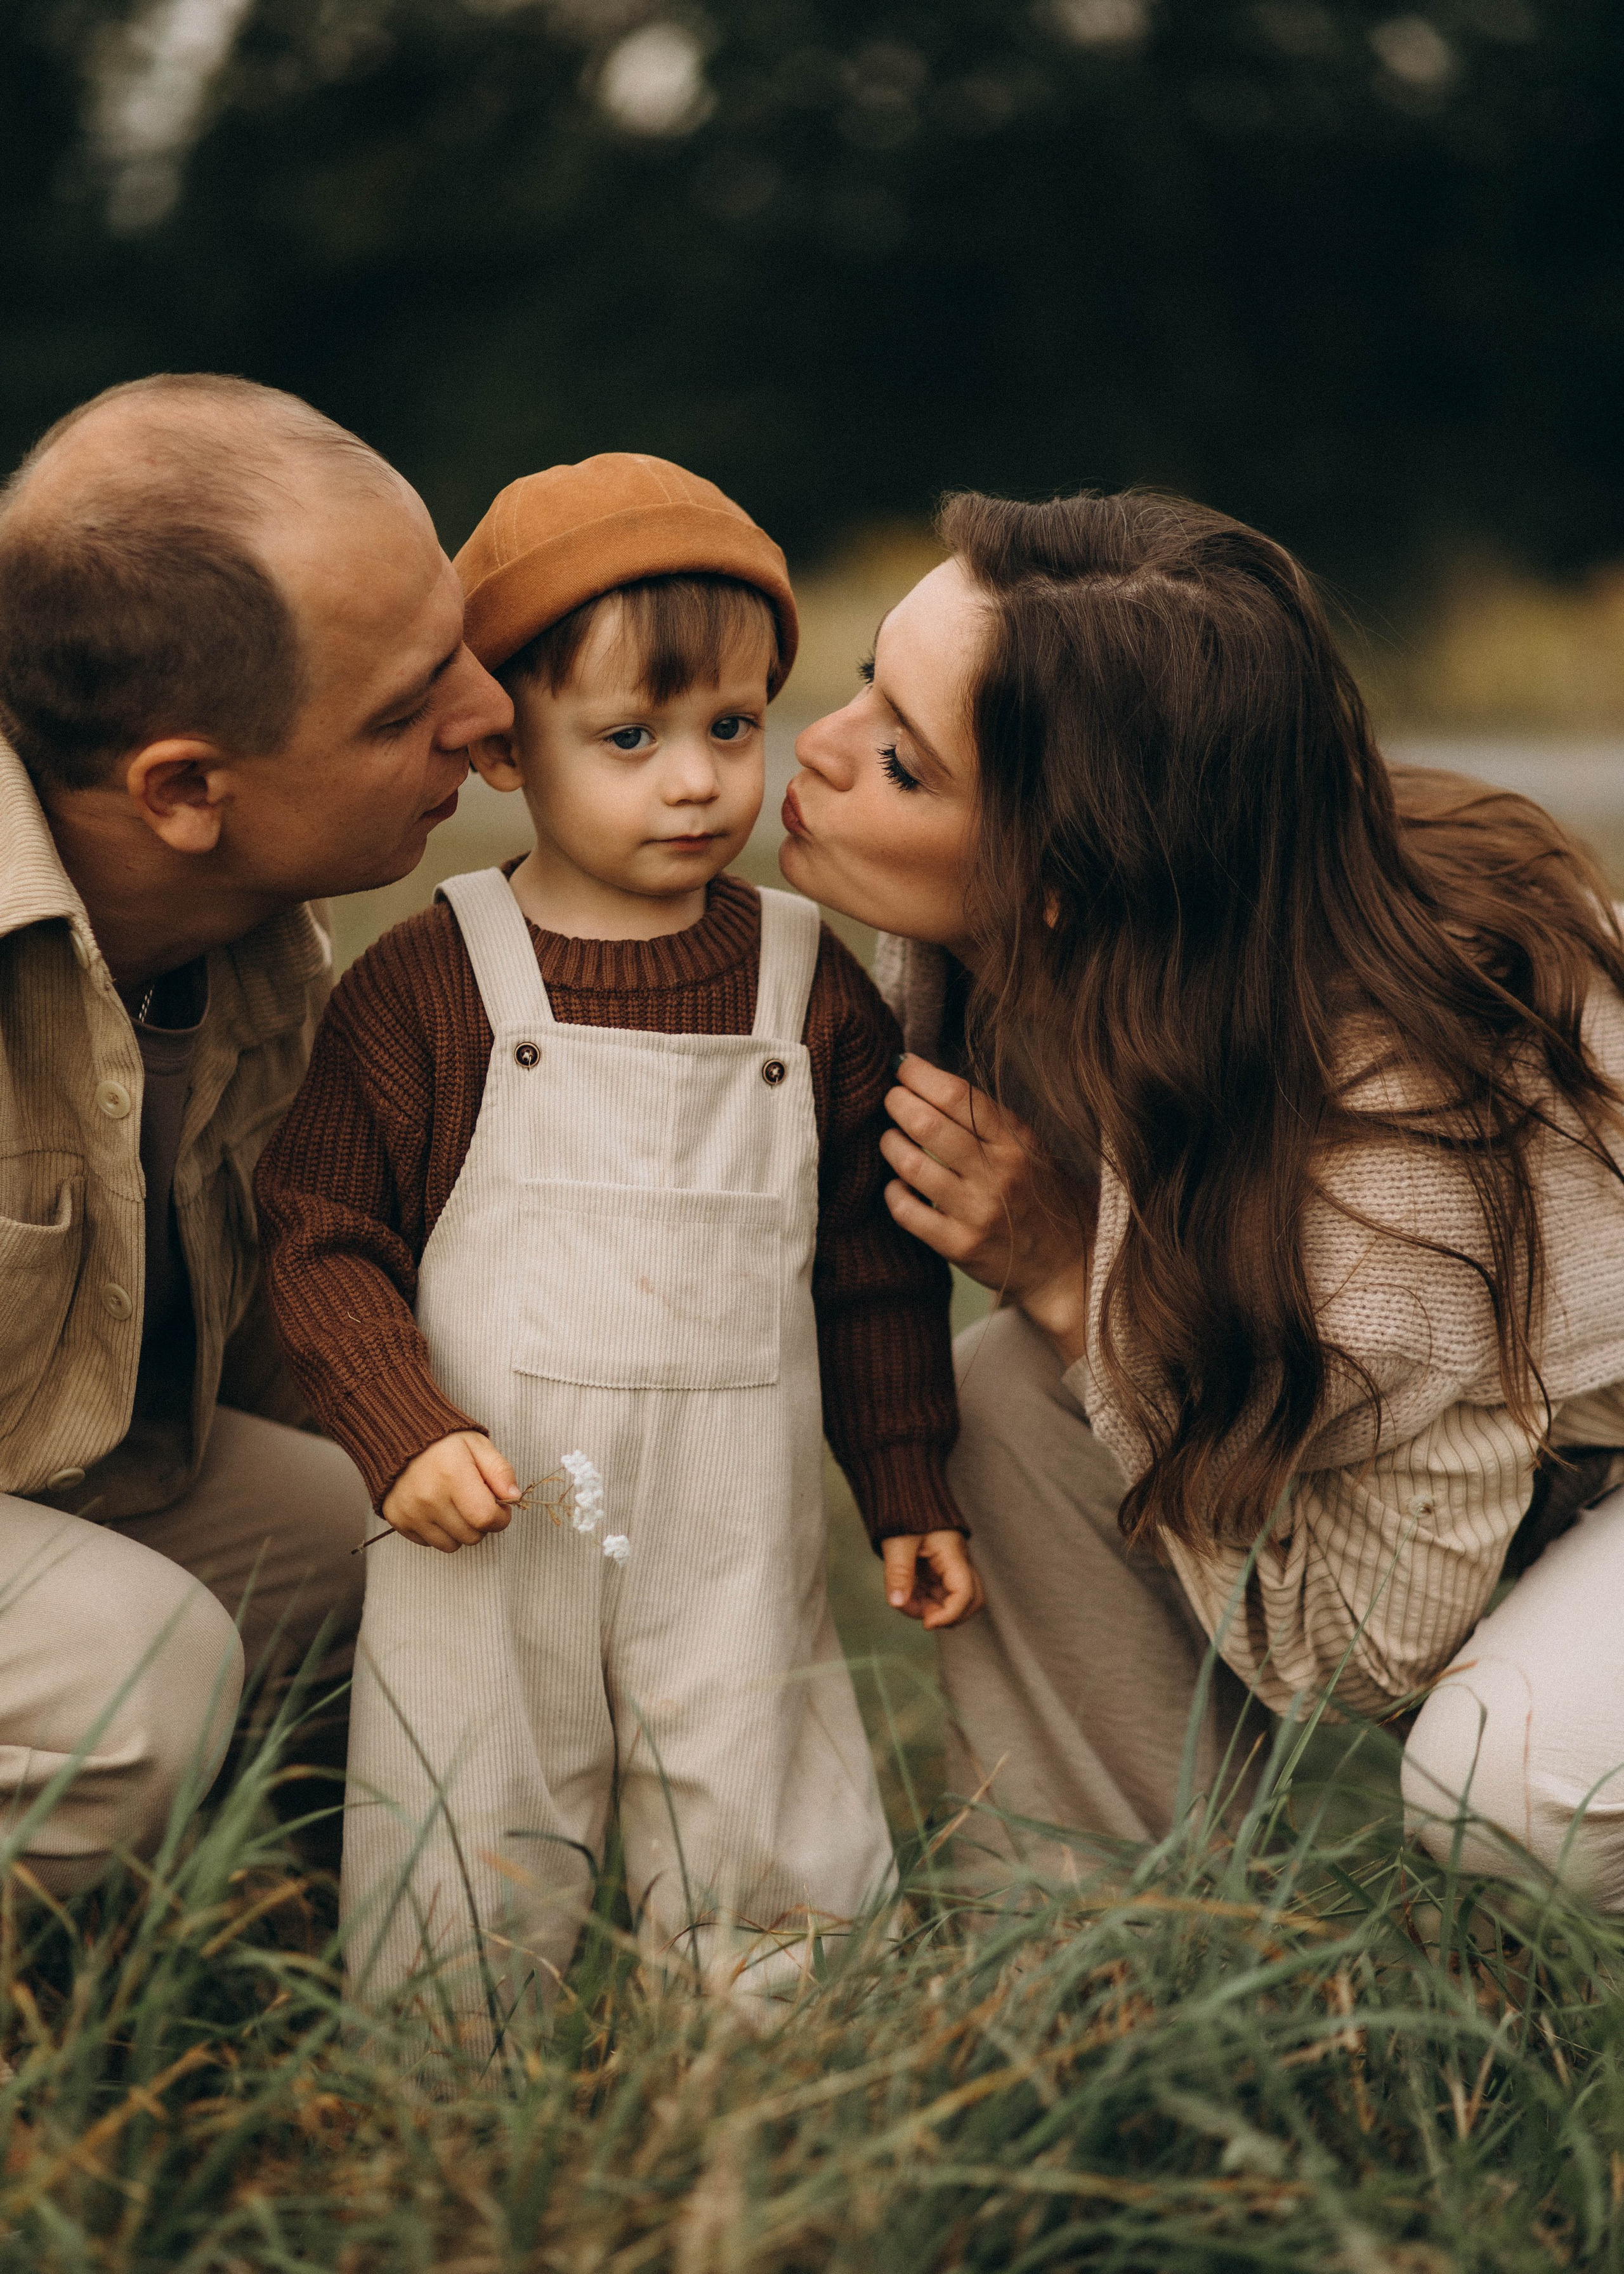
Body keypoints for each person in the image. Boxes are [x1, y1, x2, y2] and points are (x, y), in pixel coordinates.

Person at [778, 484, 1624, 1903]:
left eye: (904, 764)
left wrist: (1062, 1278)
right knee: (1002, 1398)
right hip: (1506, 1442)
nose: (818, 742)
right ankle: (1103, 1941)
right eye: (869, 681)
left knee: (1508, 1786)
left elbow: (1353, 1649)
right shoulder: (1075, 957)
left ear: (1065, 879)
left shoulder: (1394, 1147)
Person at [255, 452, 980, 2014]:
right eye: (629, 738)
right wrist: (399, 1425)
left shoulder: (805, 980)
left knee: (759, 1787)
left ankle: (784, 2081)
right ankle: (443, 2089)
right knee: (465, 1811)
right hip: (486, 1498)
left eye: (730, 727)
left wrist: (906, 1472)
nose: (695, 782)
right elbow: (319, 1231)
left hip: (733, 1518)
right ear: (509, 747)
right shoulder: (435, 981)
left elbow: (868, 1266)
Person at [0, 372, 512, 1893]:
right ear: (185, 790)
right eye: (408, 704)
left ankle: (254, 1940)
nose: (488, 717)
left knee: (403, 1534)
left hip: (57, 1474)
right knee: (117, 1678)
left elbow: (296, 1346)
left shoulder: (259, 937)